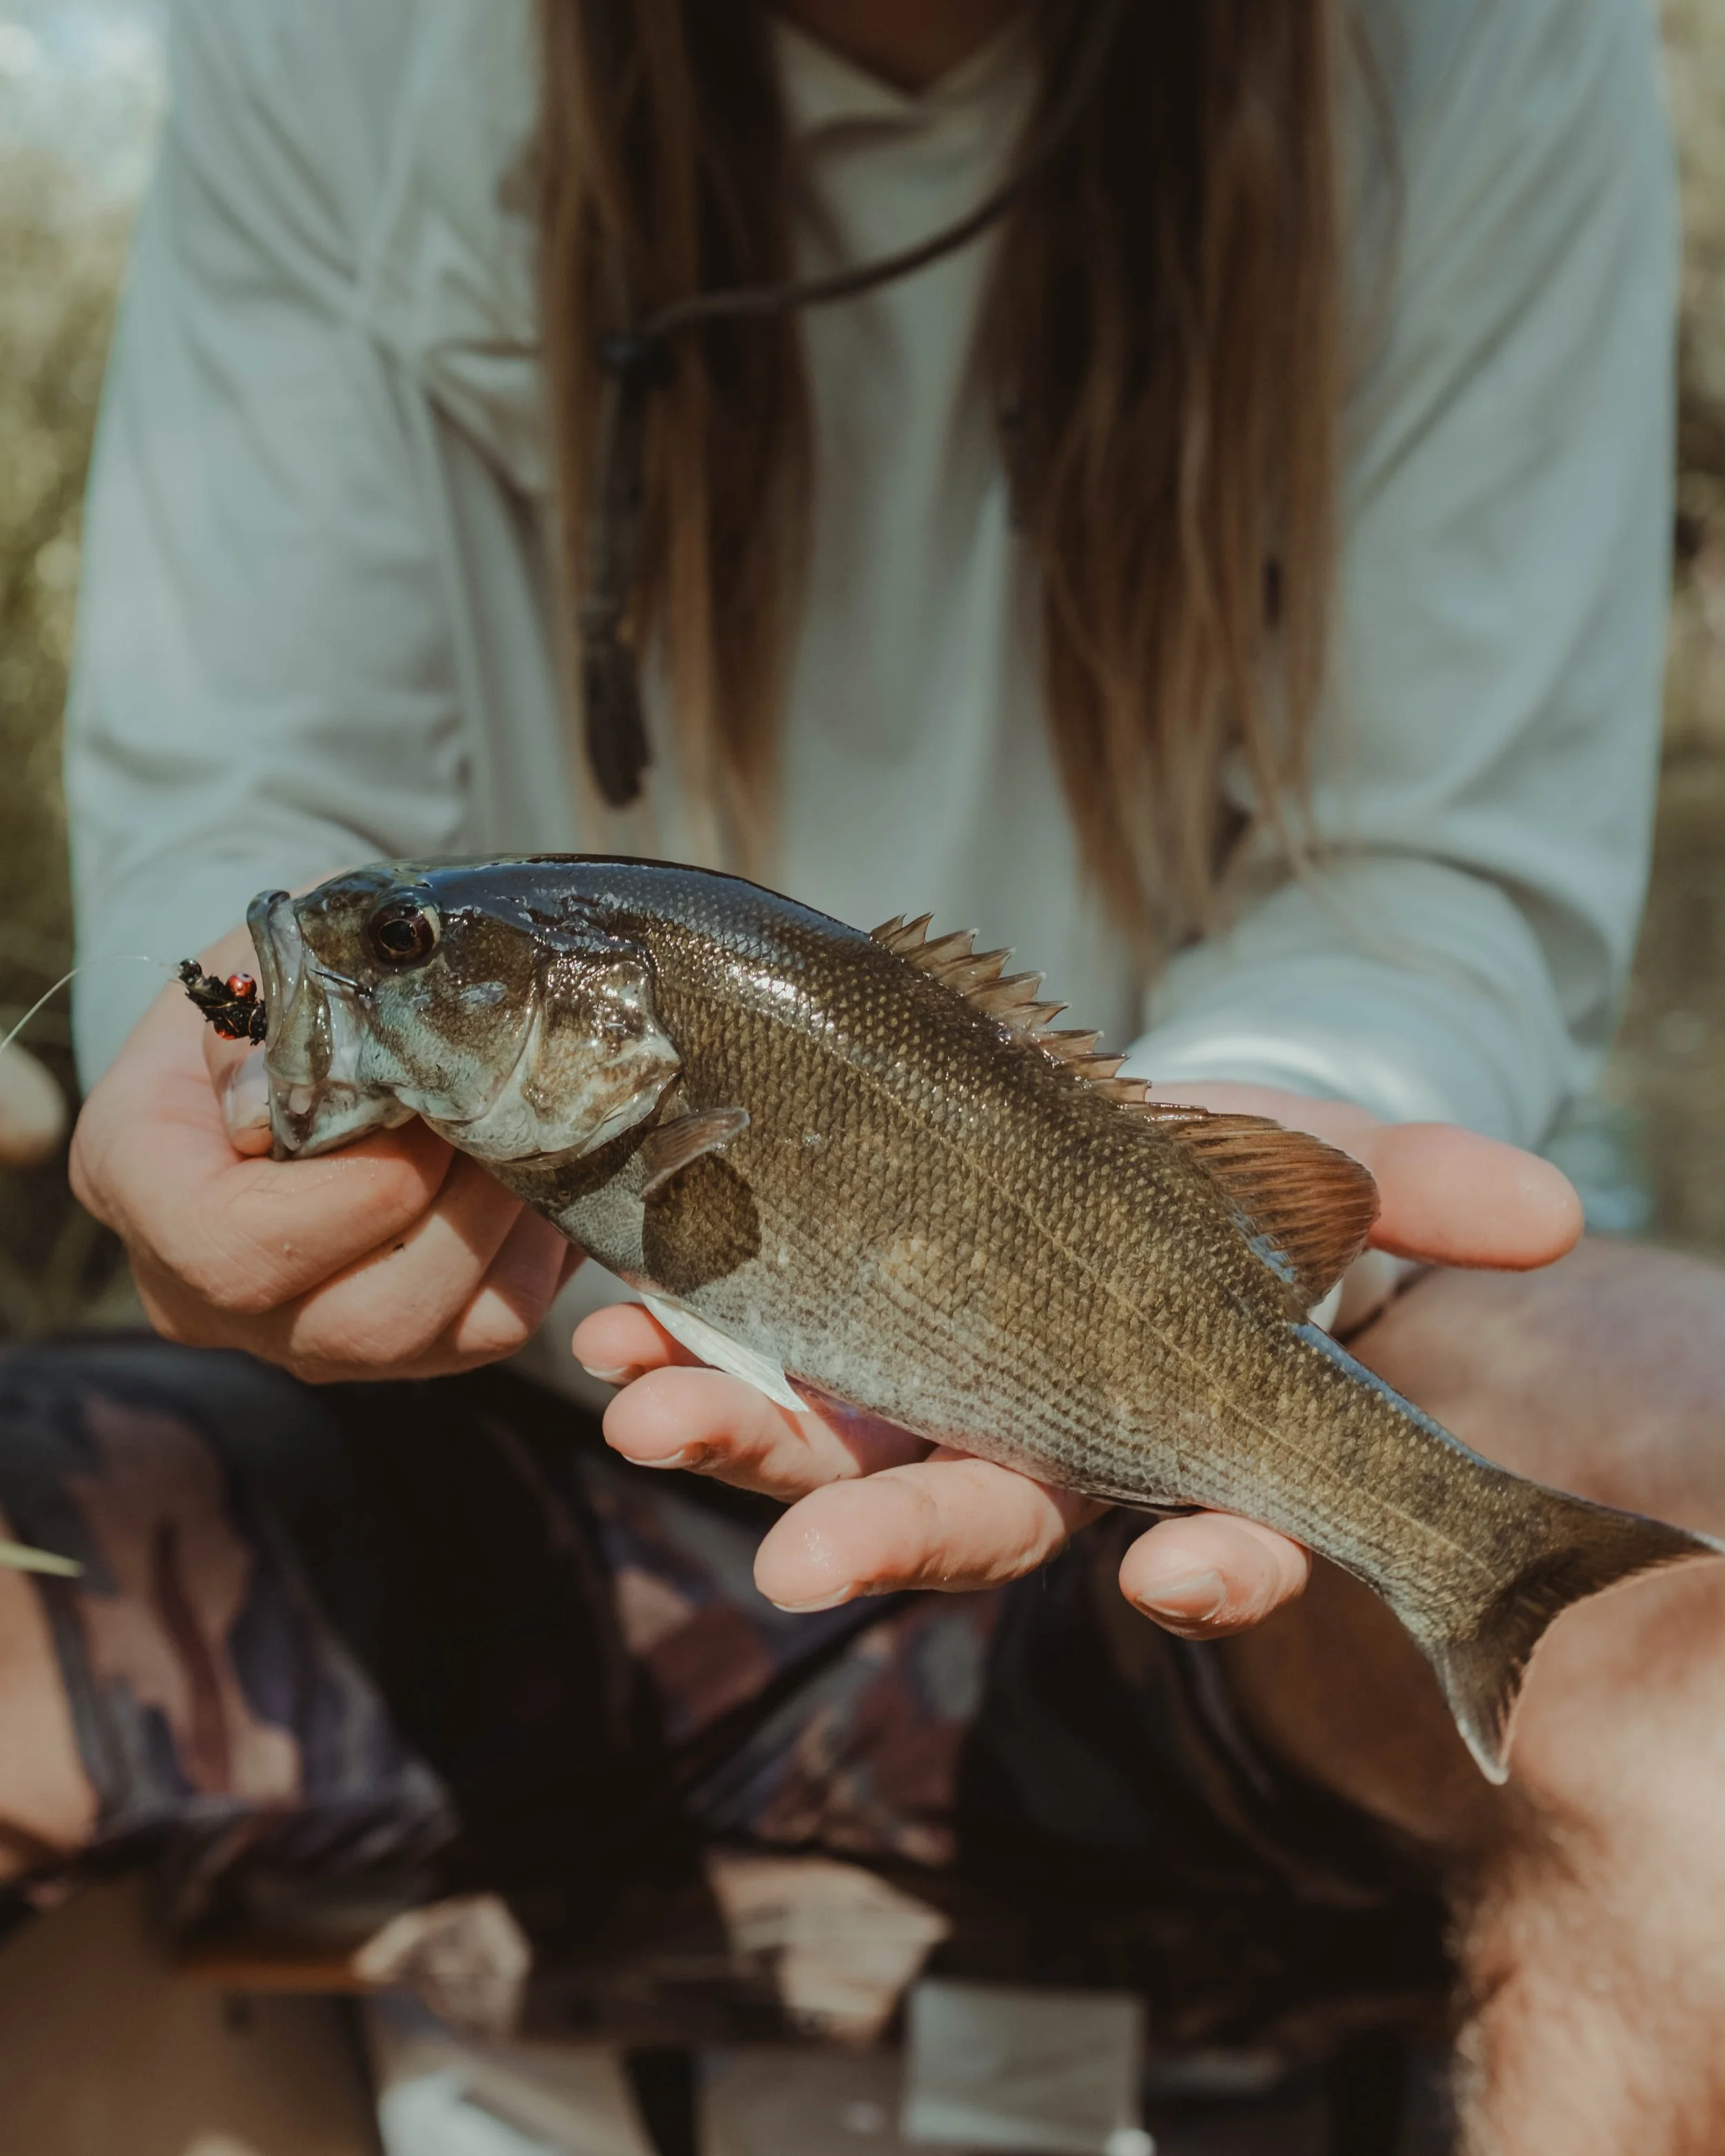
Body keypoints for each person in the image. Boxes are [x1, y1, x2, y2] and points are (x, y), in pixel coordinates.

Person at [5, 0, 1721, 2144]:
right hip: (491, 1433)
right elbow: (253, 824)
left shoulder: (1485, 47)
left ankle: (1476, 1574)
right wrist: (201, 1049)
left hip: (1205, 1433)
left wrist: (1262, 1118)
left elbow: (1420, 870)